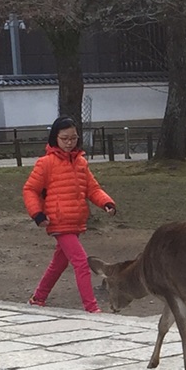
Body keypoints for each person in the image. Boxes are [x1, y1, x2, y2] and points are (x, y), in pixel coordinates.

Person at [23, 115, 115, 312]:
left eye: (73, 138)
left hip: (76, 221)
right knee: (81, 263)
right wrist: (37, 214)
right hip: (59, 221)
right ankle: (91, 308)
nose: (69, 143)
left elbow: (92, 188)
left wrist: (106, 202)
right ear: (55, 137)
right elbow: (30, 189)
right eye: (64, 138)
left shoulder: (81, 162)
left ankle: (38, 299)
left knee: (59, 263)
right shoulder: (45, 163)